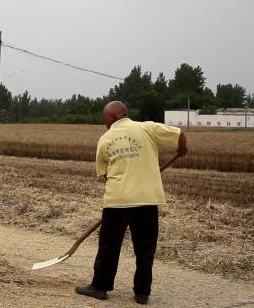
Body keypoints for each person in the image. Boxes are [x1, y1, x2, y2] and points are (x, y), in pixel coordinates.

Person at [75, 101, 187, 305]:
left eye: (104, 118)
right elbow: (179, 134)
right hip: (147, 200)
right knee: (145, 248)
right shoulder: (147, 127)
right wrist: (182, 149)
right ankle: (142, 293)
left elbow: (105, 175)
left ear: (112, 117)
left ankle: (100, 287)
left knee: (109, 247)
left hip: (117, 202)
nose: (104, 122)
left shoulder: (105, 139)